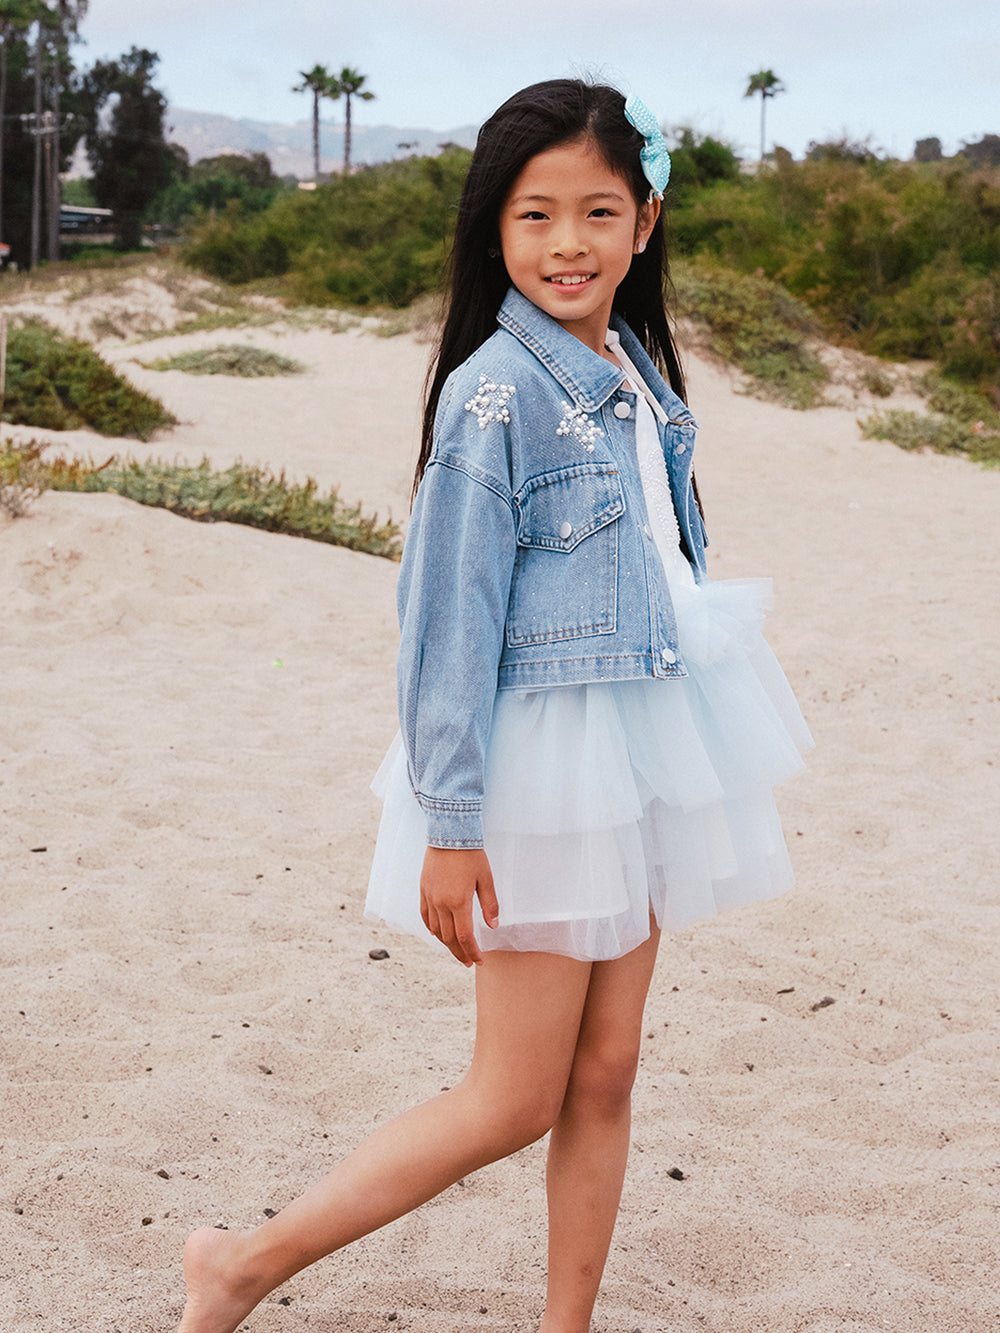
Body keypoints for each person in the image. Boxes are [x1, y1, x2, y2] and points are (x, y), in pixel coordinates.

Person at [175, 78, 811, 1333]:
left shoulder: (633, 369)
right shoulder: (492, 395)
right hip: (541, 769)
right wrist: (451, 821)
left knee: (608, 1071)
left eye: (598, 211)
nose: (567, 243)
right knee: (512, 1096)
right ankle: (241, 1263)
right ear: (493, 228)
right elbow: (444, 627)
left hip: (646, 739)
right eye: (534, 215)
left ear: (646, 220)